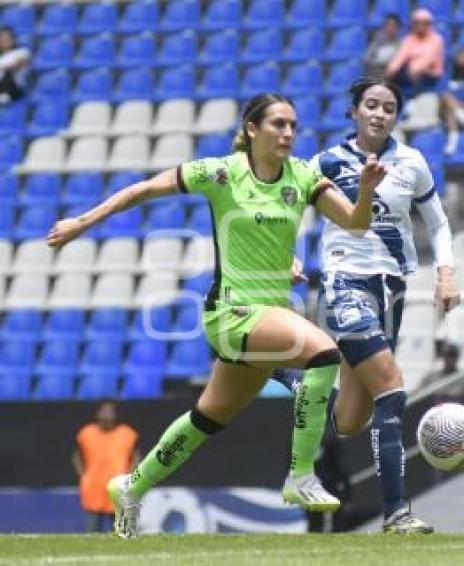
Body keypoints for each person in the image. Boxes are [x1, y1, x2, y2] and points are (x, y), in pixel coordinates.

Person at [47, 93, 387, 538]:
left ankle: (131, 485)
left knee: (207, 419)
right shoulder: (221, 173)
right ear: (251, 129)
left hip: (269, 319)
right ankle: (300, 474)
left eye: (292, 126)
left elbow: (357, 224)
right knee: (324, 354)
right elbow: (144, 189)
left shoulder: (303, 177)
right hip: (232, 315)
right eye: (278, 124)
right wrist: (82, 223)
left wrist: (364, 191)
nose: (287, 133)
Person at [284, 77, 459, 534]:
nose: (380, 114)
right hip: (345, 284)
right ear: (354, 111)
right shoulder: (325, 162)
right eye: (371, 105)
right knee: (392, 387)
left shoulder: (412, 163)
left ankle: (300, 383)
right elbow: (287, 209)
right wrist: (290, 255)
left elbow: (437, 223)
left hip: (393, 290)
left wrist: (445, 273)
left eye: (388, 108)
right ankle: (397, 512)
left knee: (350, 420)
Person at [72, 401, 139, 533]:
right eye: (104, 411)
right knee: (92, 532)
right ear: (97, 414)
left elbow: (136, 456)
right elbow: (76, 455)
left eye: (110, 412)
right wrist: (82, 474)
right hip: (94, 490)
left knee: (123, 534)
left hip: (118, 491)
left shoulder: (127, 434)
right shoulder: (86, 434)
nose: (107, 415)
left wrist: (130, 476)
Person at [386, 8, 445, 98]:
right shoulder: (409, 39)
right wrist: (391, 70)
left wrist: (414, 71)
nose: (420, 26)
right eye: (417, 23)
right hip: (410, 75)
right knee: (390, 79)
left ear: (428, 25)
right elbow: (400, 56)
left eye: (424, 23)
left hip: (429, 76)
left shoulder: (436, 40)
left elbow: (427, 60)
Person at [364, 14, 403, 78]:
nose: (390, 28)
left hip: (391, 78)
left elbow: (397, 65)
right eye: (388, 25)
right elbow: (366, 58)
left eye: (393, 25)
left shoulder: (401, 45)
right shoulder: (377, 42)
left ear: (398, 28)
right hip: (374, 74)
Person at [0, 27, 29, 104]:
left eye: (7, 37)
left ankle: (5, 94)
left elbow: (18, 64)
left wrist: (3, 66)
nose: (4, 40)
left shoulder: (22, 52)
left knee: (6, 71)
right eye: (1, 38)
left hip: (14, 88)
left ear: (13, 39)